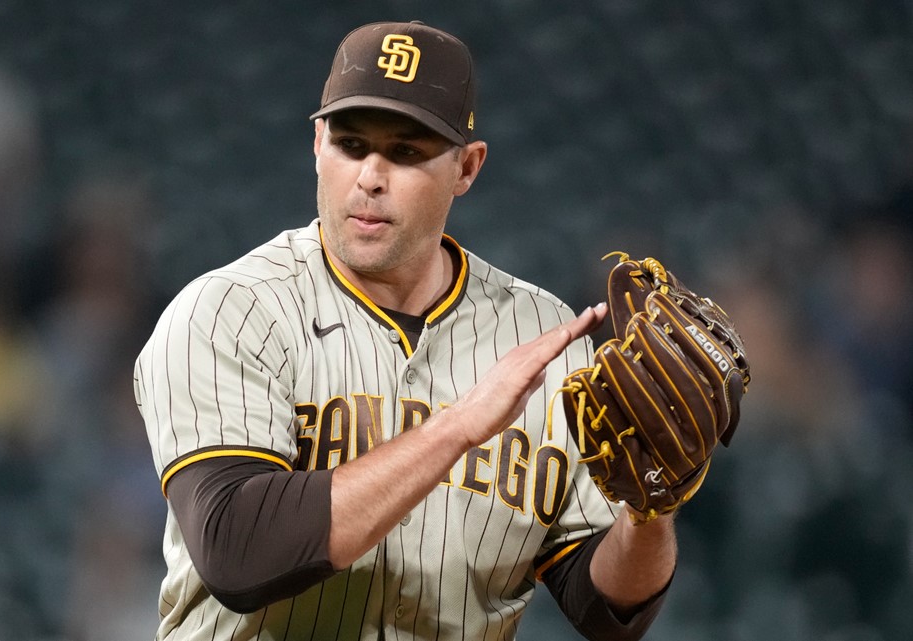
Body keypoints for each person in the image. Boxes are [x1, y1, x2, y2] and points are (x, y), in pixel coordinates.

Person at [134, 21, 675, 641]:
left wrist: (651, 510)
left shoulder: (544, 335)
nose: (370, 175)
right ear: (317, 145)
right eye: (351, 144)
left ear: (467, 168)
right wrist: (458, 426)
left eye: (406, 152)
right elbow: (239, 551)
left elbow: (603, 608)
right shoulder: (231, 311)